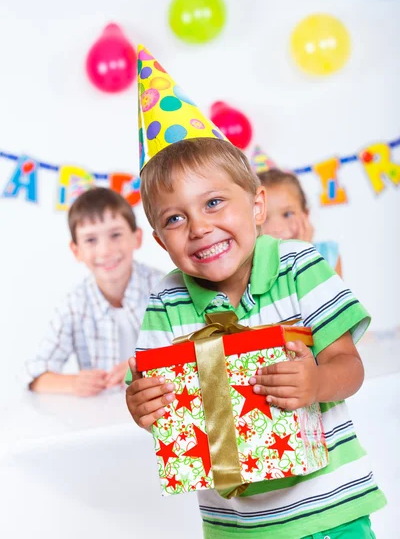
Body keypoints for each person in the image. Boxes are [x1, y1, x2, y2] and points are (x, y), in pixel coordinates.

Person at [125, 46, 386, 539]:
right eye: (175, 219)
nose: (199, 227)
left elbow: (349, 366)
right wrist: (141, 406)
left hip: (330, 512)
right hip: (234, 525)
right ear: (160, 241)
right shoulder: (167, 301)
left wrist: (314, 384)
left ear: (258, 205)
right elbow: (148, 395)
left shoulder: (298, 266)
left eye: (215, 202)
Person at [26, 187, 163, 397]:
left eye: (115, 235)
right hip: (102, 421)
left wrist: (145, 366)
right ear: (76, 250)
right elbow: (32, 375)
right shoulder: (74, 305)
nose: (105, 251)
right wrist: (73, 383)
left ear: (136, 238)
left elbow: (195, 352)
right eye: (91, 240)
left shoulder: (163, 288)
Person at [258, 168, 342, 276]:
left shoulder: (328, 254)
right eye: (263, 218)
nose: (276, 228)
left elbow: (327, 293)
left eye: (287, 214)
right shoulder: (253, 268)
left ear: (305, 214)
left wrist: (303, 254)